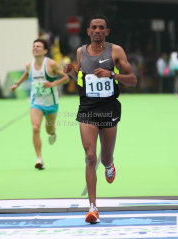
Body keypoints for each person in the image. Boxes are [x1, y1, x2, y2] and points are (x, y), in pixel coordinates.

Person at [64, 14, 137, 224]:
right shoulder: (80, 52)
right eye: (93, 27)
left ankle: (109, 164)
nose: (97, 30)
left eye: (101, 27)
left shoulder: (116, 51)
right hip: (87, 108)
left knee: (104, 158)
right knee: (89, 156)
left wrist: (112, 75)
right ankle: (93, 208)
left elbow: (132, 80)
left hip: (109, 108)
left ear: (107, 31)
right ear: (88, 31)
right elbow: (82, 77)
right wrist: (71, 72)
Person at [10, 39, 70, 169]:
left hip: (51, 103)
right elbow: (27, 74)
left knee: (49, 128)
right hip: (36, 102)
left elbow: (66, 78)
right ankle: (39, 159)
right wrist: (17, 84)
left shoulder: (52, 64)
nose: (35, 48)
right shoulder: (29, 65)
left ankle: (52, 132)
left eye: (38, 46)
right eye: (34, 46)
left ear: (45, 51)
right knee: (35, 128)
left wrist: (52, 84)